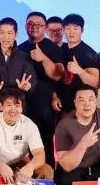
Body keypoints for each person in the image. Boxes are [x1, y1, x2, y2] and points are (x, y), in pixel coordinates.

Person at [0, 88, 52, 182]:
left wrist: (30, 167)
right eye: (9, 105)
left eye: (17, 105)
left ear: (21, 108)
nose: (13, 110)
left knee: (47, 170)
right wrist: (1, 166)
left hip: (20, 163)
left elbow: (40, 154)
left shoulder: (29, 124)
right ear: (1, 106)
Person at [18, 11, 65, 161]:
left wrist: (43, 58)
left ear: (45, 28)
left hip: (45, 102)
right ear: (25, 26)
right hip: (22, 101)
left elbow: (58, 75)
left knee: (43, 142)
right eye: (31, 24)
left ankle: (47, 174)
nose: (34, 27)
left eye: (39, 24)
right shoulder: (19, 48)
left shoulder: (53, 48)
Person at [0, 18, 37, 116]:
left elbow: (31, 76)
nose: (6, 37)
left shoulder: (23, 56)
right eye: (2, 33)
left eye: (10, 33)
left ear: (16, 34)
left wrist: (28, 85)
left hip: (17, 97)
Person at [52, 14, 100, 113]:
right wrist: (54, 96)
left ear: (82, 30)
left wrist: (79, 71)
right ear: (63, 30)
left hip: (80, 107)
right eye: (68, 28)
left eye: (75, 28)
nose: (71, 32)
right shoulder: (60, 49)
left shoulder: (89, 53)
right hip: (60, 104)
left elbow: (95, 82)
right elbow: (54, 77)